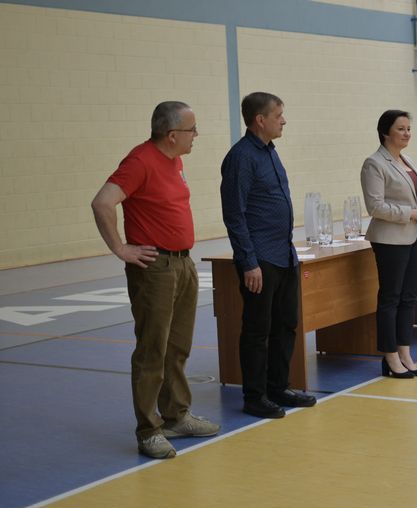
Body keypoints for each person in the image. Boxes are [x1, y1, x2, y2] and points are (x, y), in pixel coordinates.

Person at [91, 101, 219, 459]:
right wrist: (120, 248)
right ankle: (148, 430)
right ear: (172, 134)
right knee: (152, 350)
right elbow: (102, 203)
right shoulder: (140, 161)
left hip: (182, 262)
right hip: (155, 268)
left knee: (177, 347)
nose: (196, 135)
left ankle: (176, 416)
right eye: (192, 130)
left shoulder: (175, 161)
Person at [220, 92, 317, 418]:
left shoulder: (270, 152)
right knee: (257, 329)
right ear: (260, 120)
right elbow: (235, 214)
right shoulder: (241, 157)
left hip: (283, 254)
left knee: (285, 324)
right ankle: (254, 396)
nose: (284, 120)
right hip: (260, 258)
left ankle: (278, 386)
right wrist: (248, 262)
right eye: (278, 115)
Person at [361, 110, 417, 379]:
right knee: (390, 297)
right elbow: (375, 206)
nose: (407, 133)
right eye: (401, 129)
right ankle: (389, 355)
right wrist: (410, 213)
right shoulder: (374, 163)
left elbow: (413, 196)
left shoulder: (407, 160)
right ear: (385, 132)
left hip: (415, 234)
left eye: (408, 128)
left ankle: (405, 352)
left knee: (409, 296)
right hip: (390, 239)